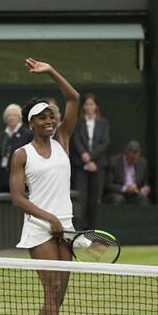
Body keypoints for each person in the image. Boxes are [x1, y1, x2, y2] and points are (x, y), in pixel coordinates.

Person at [7, 58, 80, 315]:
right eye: (42, 117)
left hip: (65, 227)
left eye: (52, 115)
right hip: (39, 229)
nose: (50, 120)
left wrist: (51, 71)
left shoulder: (63, 138)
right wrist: (48, 217)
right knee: (52, 290)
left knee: (57, 298)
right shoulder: (22, 155)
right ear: (31, 123)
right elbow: (18, 198)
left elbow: (74, 98)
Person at [70, 93, 110, 229]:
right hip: (81, 165)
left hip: (98, 165)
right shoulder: (78, 122)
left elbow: (105, 143)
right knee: (81, 199)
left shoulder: (103, 123)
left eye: (91, 104)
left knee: (95, 200)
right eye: (86, 104)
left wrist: (91, 157)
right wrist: (84, 156)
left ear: (96, 106)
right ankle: (79, 231)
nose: (89, 107)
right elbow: (76, 141)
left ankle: (94, 231)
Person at [0, 103, 31, 191]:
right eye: (9, 115)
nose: (11, 117)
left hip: (21, 175)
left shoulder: (27, 134)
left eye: (14, 115)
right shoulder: (2, 135)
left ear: (19, 117)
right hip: (4, 175)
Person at [105, 140, 151, 205]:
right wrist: (125, 189)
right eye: (131, 159)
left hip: (135, 194)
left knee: (144, 199)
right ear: (125, 155)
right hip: (118, 193)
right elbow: (108, 185)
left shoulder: (143, 163)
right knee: (118, 199)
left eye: (136, 159)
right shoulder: (113, 162)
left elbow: (145, 183)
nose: (133, 161)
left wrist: (145, 189)